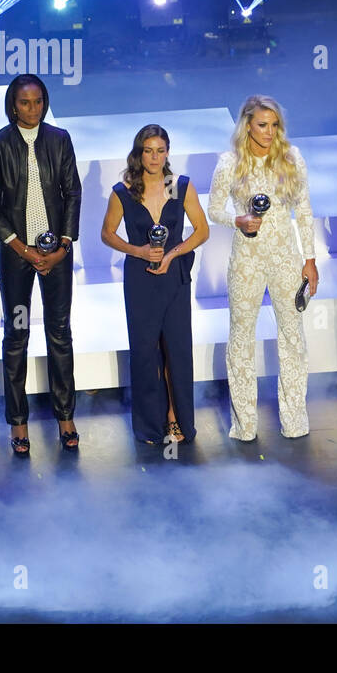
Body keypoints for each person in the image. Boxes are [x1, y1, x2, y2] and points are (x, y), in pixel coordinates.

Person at [0, 75, 82, 455]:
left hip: (56, 254)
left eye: (38, 101)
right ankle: (18, 422)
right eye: (24, 102)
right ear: (12, 105)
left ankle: (65, 416)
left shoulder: (59, 139)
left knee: (59, 333)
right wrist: (20, 248)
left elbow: (73, 192)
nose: (32, 108)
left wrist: (63, 246)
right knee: (17, 335)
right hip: (17, 256)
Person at [208, 96, 318, 440]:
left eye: (274, 125)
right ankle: (245, 425)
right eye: (262, 125)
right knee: (241, 338)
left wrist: (310, 260)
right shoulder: (230, 163)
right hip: (246, 260)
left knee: (292, 337)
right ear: (247, 125)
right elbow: (213, 209)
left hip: (285, 258)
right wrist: (237, 219)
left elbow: (303, 211)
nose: (269, 132)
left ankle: (295, 420)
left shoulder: (291, 158)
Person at [101, 125, 209, 444]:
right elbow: (107, 233)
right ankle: (150, 424)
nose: (155, 157)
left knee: (176, 349)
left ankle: (176, 419)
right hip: (140, 279)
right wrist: (139, 251)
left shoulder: (180, 187)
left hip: (174, 278)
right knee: (145, 353)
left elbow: (202, 231)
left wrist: (172, 255)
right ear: (139, 153)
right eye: (149, 150)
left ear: (168, 153)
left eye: (161, 150)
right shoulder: (124, 191)